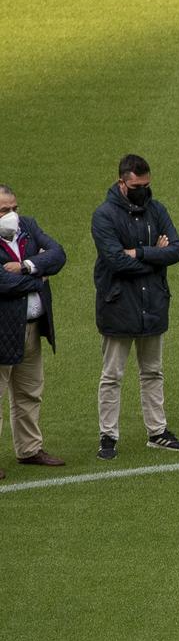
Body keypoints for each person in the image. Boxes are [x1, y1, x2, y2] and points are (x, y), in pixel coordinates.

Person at [91, 154, 179, 460]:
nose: (143, 190)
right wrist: (153, 257)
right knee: (112, 375)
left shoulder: (156, 209)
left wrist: (139, 253)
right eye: (136, 185)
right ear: (122, 182)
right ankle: (108, 437)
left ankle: (157, 432)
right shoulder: (104, 215)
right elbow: (115, 260)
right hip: (119, 305)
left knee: (153, 372)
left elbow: (175, 250)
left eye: (146, 185)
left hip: (153, 304)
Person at [0, 183, 68, 469]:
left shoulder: (28, 226)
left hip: (31, 328)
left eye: (14, 208)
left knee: (29, 391)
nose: (12, 215)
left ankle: (29, 450)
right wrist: (38, 278)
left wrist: (26, 265)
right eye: (4, 210)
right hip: (3, 330)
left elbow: (58, 254)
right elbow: (3, 283)